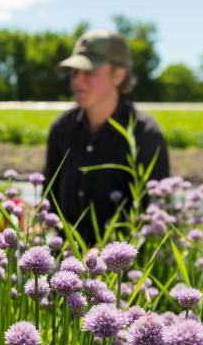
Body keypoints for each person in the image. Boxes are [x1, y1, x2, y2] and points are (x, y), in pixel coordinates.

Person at [43, 30, 170, 245]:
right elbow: (49, 199)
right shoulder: (62, 128)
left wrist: (106, 254)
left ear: (118, 75)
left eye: (89, 71)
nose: (77, 80)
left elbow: (154, 217)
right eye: (74, 72)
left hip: (122, 269)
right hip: (63, 261)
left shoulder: (145, 135)